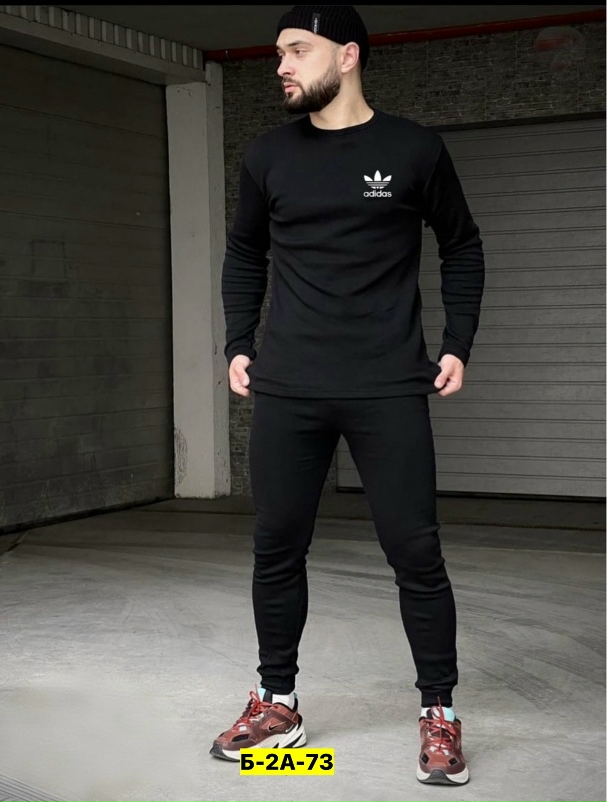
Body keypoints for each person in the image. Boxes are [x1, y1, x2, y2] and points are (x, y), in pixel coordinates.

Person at [212, 4, 485, 786]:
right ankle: (279, 704)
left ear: (349, 55)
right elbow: (244, 252)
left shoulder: (413, 149)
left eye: (298, 50)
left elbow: (462, 245)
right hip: (288, 385)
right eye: (279, 53)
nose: (281, 66)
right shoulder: (268, 156)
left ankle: (439, 712)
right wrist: (238, 342)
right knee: (276, 548)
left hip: (387, 384)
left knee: (416, 554)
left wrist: (458, 342)